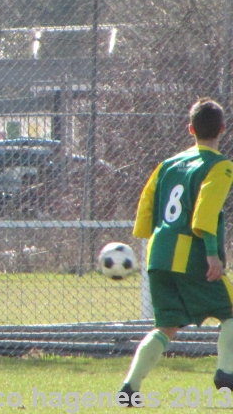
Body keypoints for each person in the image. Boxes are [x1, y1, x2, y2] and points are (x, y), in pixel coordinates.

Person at [118, 97, 233, 405]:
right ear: (222, 129)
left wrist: (146, 242)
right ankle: (227, 374)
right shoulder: (219, 165)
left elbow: (147, 204)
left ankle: (130, 388)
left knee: (166, 326)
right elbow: (205, 212)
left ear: (190, 129)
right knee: (232, 312)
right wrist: (212, 253)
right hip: (191, 254)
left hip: (158, 253)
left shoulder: (167, 164)